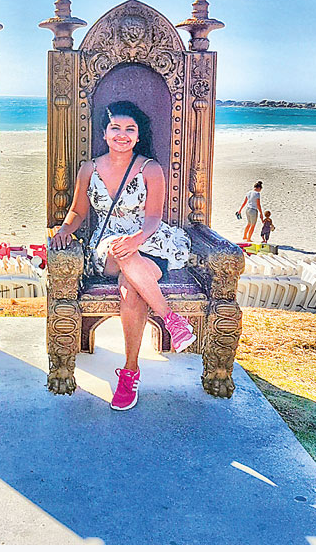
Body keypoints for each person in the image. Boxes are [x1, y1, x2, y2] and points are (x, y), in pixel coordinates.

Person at [49, 101, 195, 412]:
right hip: (108, 246)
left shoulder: (150, 168)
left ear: (138, 136)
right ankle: (171, 319)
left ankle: (129, 373)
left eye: (130, 129)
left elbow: (153, 217)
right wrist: (64, 230)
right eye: (115, 128)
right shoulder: (89, 169)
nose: (122, 134)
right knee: (119, 246)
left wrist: (137, 239)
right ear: (104, 133)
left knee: (131, 290)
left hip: (150, 244)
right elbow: (77, 211)